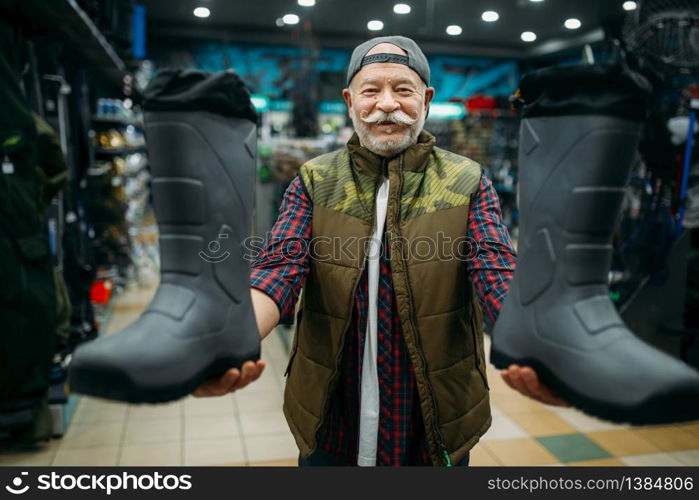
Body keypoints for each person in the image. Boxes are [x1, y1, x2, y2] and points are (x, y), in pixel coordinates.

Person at [193, 35, 568, 466]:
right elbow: (279, 267)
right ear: (350, 100)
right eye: (371, 90)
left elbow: (496, 269)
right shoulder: (315, 179)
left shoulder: (467, 180)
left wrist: (537, 347)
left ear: (426, 99)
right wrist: (225, 342)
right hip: (332, 414)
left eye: (403, 89)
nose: (386, 104)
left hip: (431, 417)